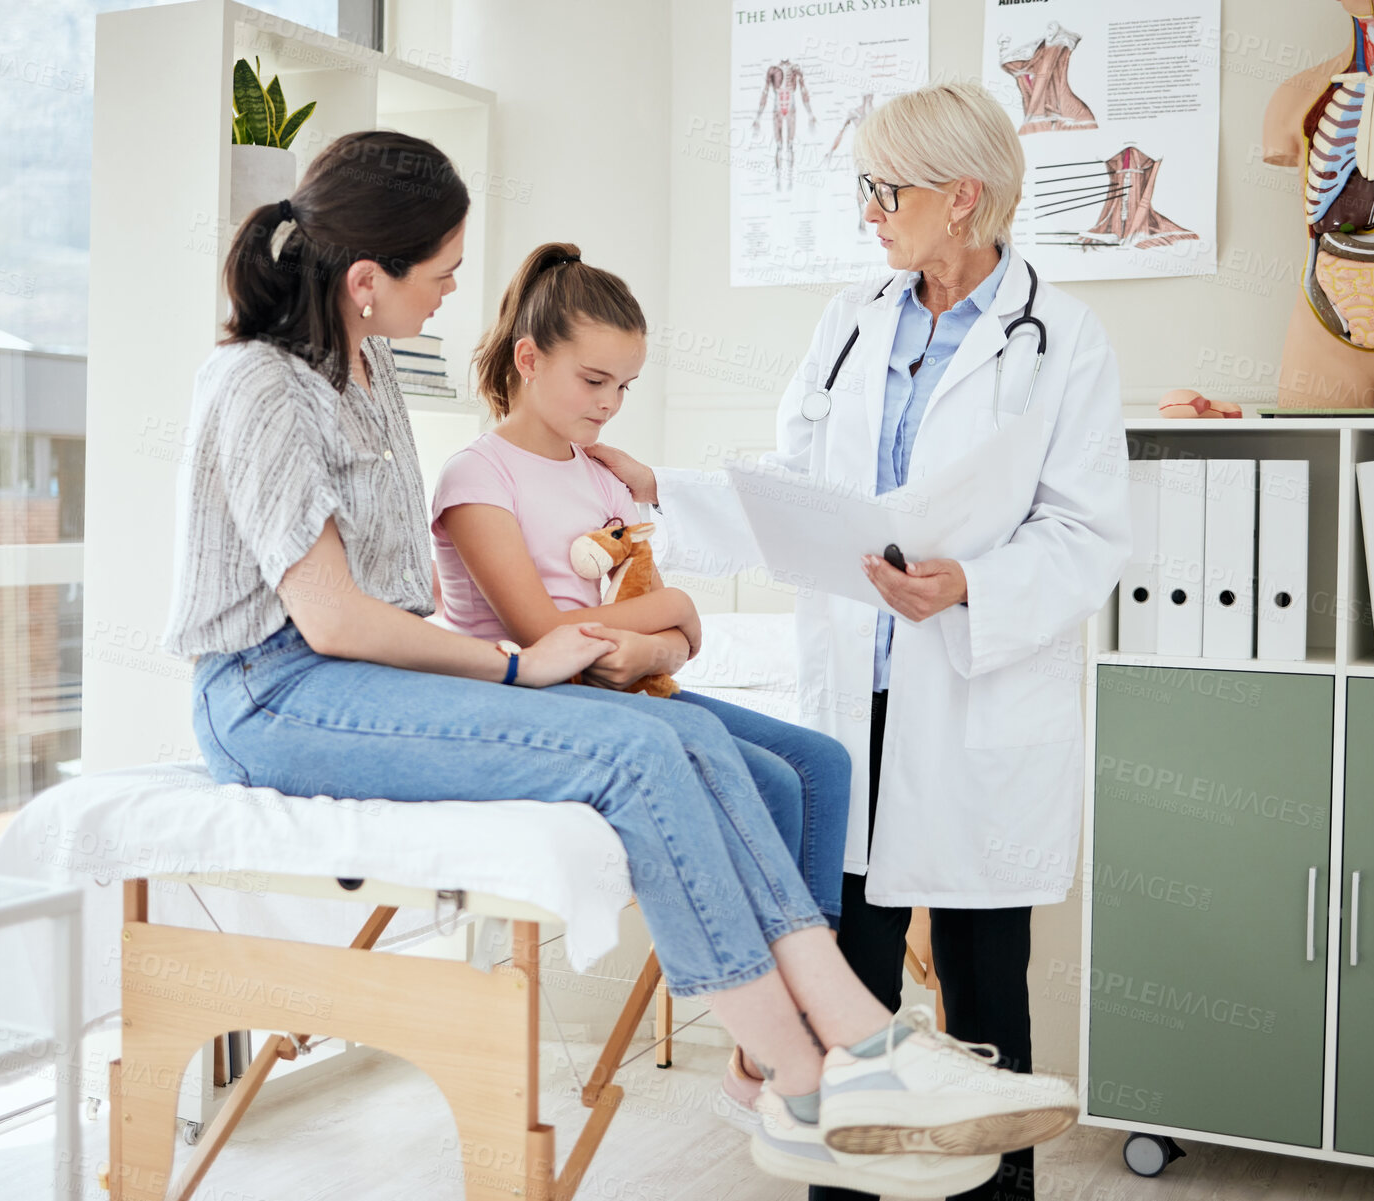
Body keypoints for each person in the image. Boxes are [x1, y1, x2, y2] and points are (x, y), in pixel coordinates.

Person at [158, 128, 1080, 1197]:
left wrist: (579, 646)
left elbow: (406, 612)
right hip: (271, 691)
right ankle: (812, 1070)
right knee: (640, 751)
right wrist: (512, 668)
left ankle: (831, 1054)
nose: (458, 292)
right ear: (366, 281)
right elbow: (332, 620)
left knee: (696, 736)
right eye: (443, 272)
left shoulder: (361, 371)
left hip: (361, 676)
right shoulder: (260, 386)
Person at [590, 83, 1131, 1201]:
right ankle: (845, 1186)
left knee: (985, 984)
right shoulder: (850, 318)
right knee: (847, 963)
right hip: (853, 692)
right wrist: (667, 491)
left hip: (974, 686)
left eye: (885, 189)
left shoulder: (1061, 341)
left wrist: (971, 583)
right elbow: (796, 486)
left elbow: (1085, 532)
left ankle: (992, 1191)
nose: (867, 212)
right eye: (863, 188)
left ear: (961, 197)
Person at [427, 240, 852, 1124]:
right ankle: (796, 1047)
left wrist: (668, 638)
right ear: (529, 358)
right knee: (770, 781)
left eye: (624, 386)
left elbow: (637, 611)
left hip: (619, 686)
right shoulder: (477, 477)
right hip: (534, 699)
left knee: (823, 763)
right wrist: (681, 615)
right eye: (593, 381)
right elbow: (541, 634)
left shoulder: (599, 471)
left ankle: (762, 1051)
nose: (611, 404)